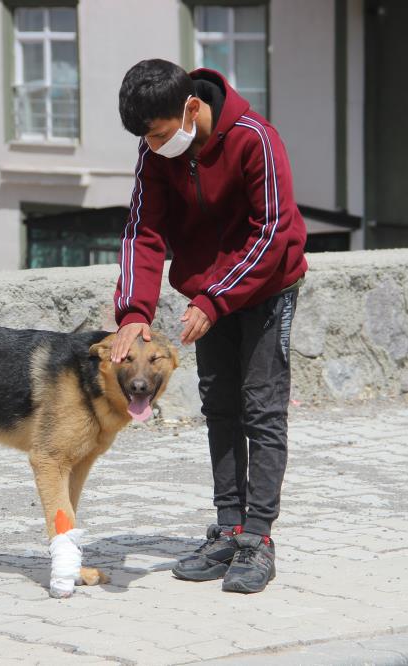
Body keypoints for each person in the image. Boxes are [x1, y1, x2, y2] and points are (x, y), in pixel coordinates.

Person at [111, 59, 308, 594]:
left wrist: (215, 298)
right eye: (144, 139)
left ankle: (259, 540)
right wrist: (134, 312)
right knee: (219, 406)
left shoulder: (254, 140)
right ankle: (228, 527)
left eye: (158, 134)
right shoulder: (156, 153)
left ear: (191, 109)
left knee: (261, 410)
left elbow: (272, 233)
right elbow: (142, 232)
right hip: (208, 296)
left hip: (267, 289)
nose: (152, 147)